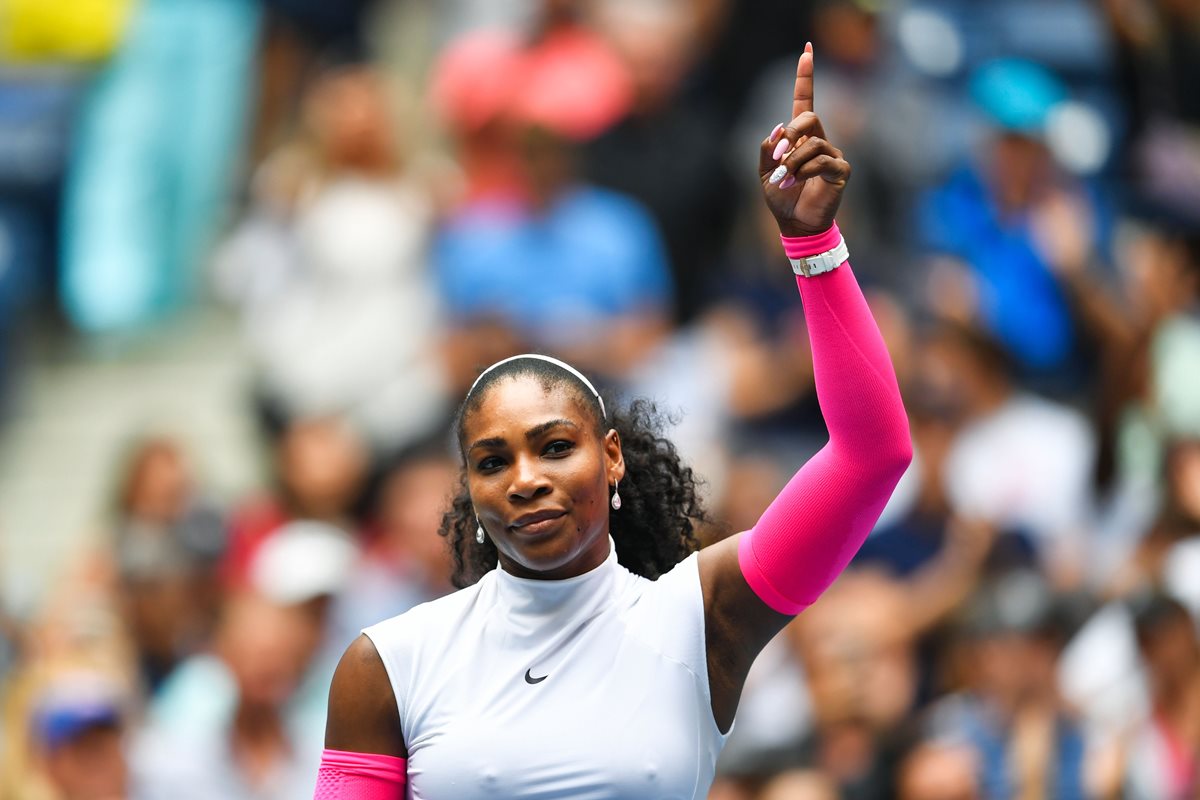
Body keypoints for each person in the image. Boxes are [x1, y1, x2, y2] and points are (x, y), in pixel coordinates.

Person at [314, 44, 912, 799]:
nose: (526, 478)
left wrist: (813, 244)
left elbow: (873, 456)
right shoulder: (386, 665)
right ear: (469, 489)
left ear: (614, 457)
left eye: (555, 446)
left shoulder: (700, 622)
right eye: (493, 462)